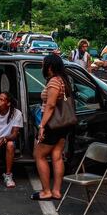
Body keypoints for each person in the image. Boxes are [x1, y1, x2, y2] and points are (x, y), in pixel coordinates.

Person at [32, 54, 73, 201]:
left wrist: (42, 126)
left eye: (43, 64)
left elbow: (50, 105)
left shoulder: (54, 82)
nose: (41, 67)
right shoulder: (63, 80)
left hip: (52, 124)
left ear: (49, 67)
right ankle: (56, 191)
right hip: (62, 125)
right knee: (56, 156)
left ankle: (46, 191)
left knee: (39, 155)